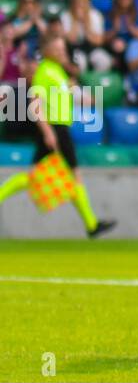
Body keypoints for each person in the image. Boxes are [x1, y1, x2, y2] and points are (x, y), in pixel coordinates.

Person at [0, 33, 116, 237]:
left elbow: (69, 98)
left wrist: (85, 97)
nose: (63, 53)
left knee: (36, 177)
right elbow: (35, 104)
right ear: (47, 52)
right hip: (55, 129)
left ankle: (91, 224)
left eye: (63, 49)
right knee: (72, 175)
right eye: (58, 50)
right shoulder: (44, 72)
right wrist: (47, 131)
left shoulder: (58, 72)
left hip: (60, 128)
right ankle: (91, 224)